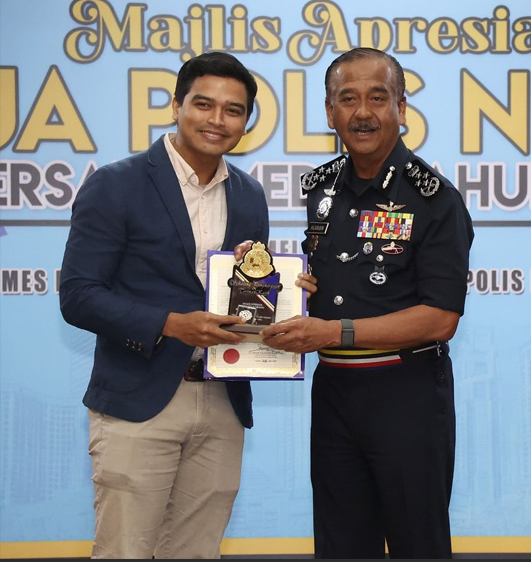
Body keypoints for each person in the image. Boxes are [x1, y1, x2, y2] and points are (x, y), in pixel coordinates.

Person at [259, 48, 474, 558]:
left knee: (417, 545)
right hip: (334, 391)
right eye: (347, 99)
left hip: (406, 393)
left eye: (378, 98)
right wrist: (279, 287)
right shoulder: (321, 189)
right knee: (341, 545)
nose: (362, 113)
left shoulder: (434, 199)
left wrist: (334, 332)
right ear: (329, 111)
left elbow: (441, 318)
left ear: (401, 108)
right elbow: (330, 281)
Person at [60, 52, 273, 559]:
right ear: (176, 106)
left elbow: (249, 292)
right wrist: (172, 325)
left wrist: (284, 293)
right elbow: (79, 296)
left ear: (246, 123)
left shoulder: (249, 195)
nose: (217, 120)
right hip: (139, 398)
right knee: (125, 551)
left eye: (233, 110)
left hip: (222, 399)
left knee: (197, 553)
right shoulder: (116, 183)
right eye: (203, 104)